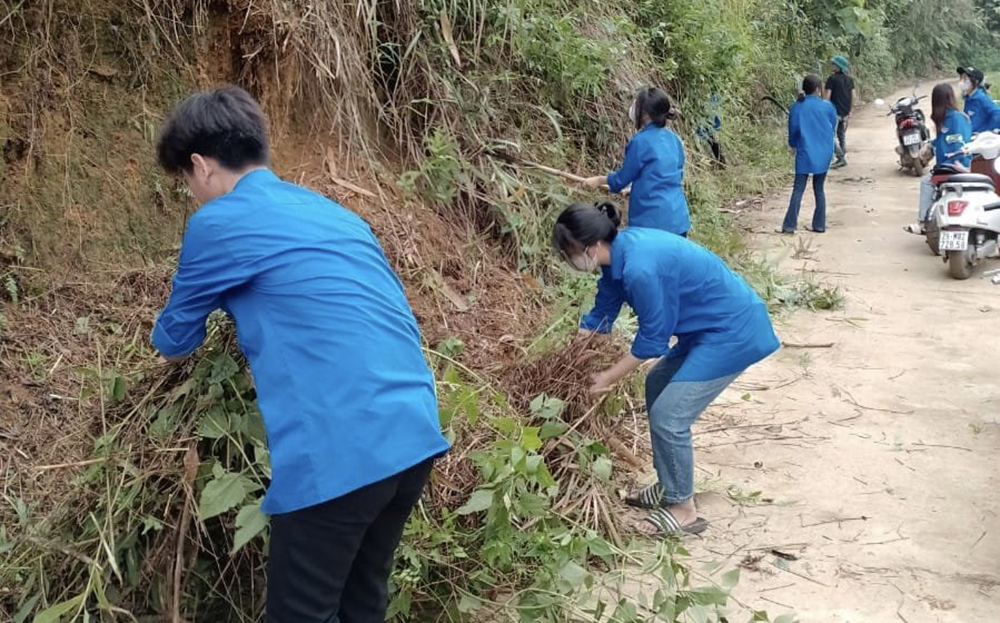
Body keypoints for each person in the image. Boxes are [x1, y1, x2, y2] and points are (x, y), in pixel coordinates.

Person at [152, 85, 450, 623]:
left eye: (186, 182)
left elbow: (174, 343)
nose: (192, 194)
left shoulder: (216, 223)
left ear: (200, 166)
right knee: (362, 601)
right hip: (413, 431)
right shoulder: (334, 213)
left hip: (344, 447)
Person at [559, 203, 779, 536]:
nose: (568, 260)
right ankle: (669, 484)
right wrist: (570, 354)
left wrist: (605, 378)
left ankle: (683, 509)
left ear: (589, 246)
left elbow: (652, 341)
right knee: (657, 383)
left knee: (669, 416)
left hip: (732, 332)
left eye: (569, 252)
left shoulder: (640, 268)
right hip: (704, 329)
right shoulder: (618, 256)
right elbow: (602, 313)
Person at [583, 87, 691, 236]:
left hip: (652, 222)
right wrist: (636, 187)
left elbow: (621, 179)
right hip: (678, 220)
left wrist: (599, 180)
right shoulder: (674, 139)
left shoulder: (640, 142)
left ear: (645, 114)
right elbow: (666, 175)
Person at [904, 83, 972, 235]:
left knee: (926, 182)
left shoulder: (953, 118)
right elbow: (946, 141)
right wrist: (930, 145)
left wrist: (956, 163)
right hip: (956, 164)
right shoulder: (951, 117)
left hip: (954, 166)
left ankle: (923, 222)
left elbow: (958, 143)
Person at [779, 75, 838, 234]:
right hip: (824, 152)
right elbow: (832, 126)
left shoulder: (797, 107)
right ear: (818, 89)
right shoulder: (828, 106)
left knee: (798, 188)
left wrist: (793, 144)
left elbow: (793, 132)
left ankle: (789, 225)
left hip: (805, 151)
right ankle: (819, 225)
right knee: (819, 188)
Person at [824, 55, 854, 168]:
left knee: (829, 135)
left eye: (833, 64)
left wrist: (824, 111)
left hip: (833, 112)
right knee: (841, 135)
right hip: (845, 112)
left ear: (838, 67)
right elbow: (853, 96)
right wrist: (850, 111)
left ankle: (840, 157)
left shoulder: (831, 79)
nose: (831, 66)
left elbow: (827, 97)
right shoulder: (850, 80)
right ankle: (842, 155)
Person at [957, 66, 1000, 134]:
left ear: (975, 82)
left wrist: (988, 130)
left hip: (979, 139)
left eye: (965, 79)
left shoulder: (981, 98)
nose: (962, 81)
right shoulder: (969, 98)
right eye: (961, 78)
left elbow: (997, 113)